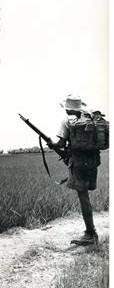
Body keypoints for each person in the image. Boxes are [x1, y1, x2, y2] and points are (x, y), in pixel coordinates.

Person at [48, 94, 102, 246]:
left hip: (78, 165)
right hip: (93, 162)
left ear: (68, 108)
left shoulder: (67, 121)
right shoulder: (91, 118)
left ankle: (90, 234)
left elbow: (60, 143)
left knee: (83, 197)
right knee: (86, 197)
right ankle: (90, 232)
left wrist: (52, 144)